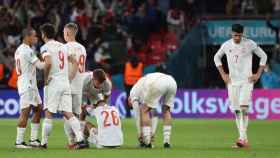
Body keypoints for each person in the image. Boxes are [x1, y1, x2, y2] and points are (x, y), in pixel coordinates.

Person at [214, 24, 267, 148]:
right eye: (234, 35)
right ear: (231, 33)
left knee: (243, 108)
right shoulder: (226, 45)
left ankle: (242, 138)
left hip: (246, 81)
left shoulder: (249, 44)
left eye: (238, 35)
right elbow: (216, 58)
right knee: (237, 111)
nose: (236, 37)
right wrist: (223, 74)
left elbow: (263, 56)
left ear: (242, 34)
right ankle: (244, 139)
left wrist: (258, 74)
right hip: (232, 82)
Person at [39, 23, 87, 149]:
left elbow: (48, 63)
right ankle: (80, 139)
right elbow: (76, 62)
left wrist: (45, 79)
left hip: (54, 82)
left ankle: (43, 142)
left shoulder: (45, 47)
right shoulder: (64, 47)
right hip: (67, 83)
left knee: (48, 112)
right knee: (69, 113)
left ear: (43, 34)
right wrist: (69, 78)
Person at [14, 28, 46, 148]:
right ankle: (19, 142)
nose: (36, 38)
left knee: (38, 108)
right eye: (34, 36)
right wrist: (49, 60)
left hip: (30, 83)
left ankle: (33, 140)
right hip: (27, 84)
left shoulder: (19, 50)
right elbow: (40, 66)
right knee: (25, 112)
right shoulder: (27, 51)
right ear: (27, 37)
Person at [129, 72, 177, 148]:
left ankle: (147, 143)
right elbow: (154, 114)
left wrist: (140, 133)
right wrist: (152, 132)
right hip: (171, 81)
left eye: (130, 106)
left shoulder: (132, 94)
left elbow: (137, 115)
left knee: (144, 110)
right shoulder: (142, 87)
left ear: (129, 100)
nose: (132, 106)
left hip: (158, 83)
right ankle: (166, 141)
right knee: (166, 110)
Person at [63, 22, 87, 148]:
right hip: (79, 84)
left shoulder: (64, 48)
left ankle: (73, 140)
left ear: (67, 33)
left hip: (68, 82)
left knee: (67, 113)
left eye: (64, 33)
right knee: (76, 113)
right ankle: (79, 138)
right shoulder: (82, 48)